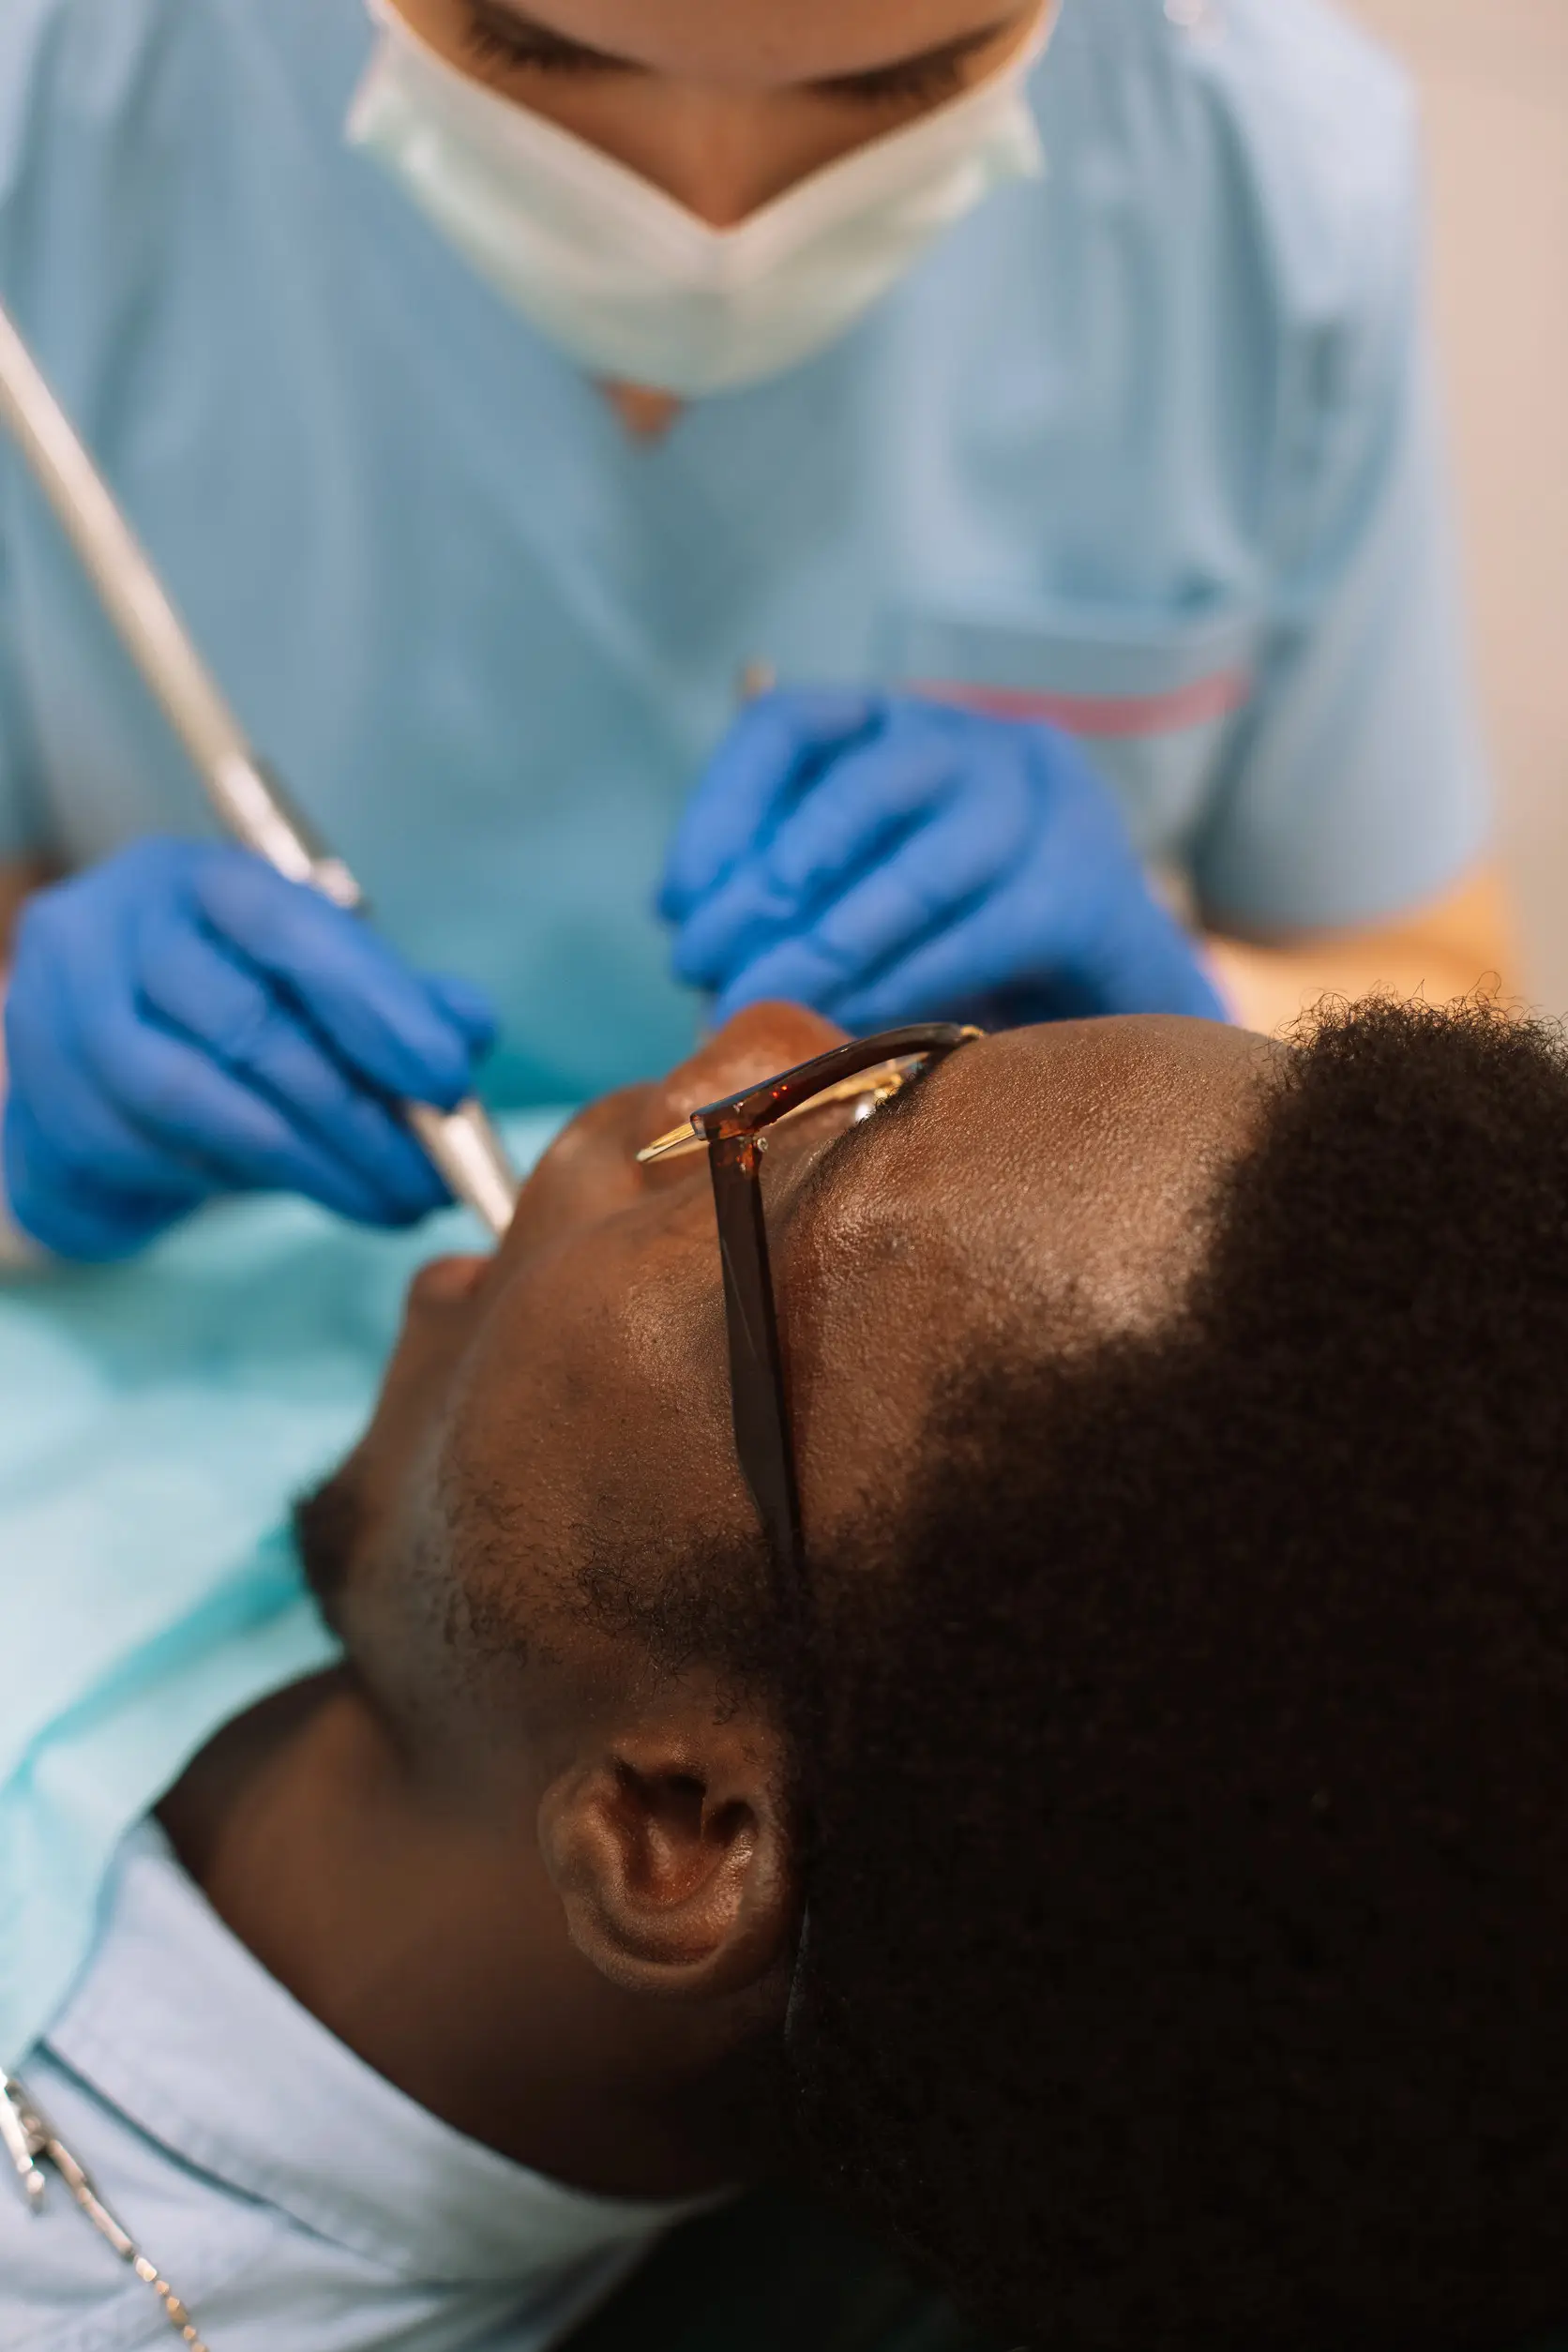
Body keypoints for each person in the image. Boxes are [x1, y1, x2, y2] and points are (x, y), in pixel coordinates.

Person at [5, 994, 1568, 2350]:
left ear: (670, 1826)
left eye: (793, 1162)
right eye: (916, 1052)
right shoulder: (498, 1439)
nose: (748, 1037)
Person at [0, 0, 1510, 1262]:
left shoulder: (1270, 171)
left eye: (901, 88)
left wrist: (1195, 1039)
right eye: (538, 58)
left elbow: (1442, 987)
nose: (708, 218)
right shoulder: (53, 107)